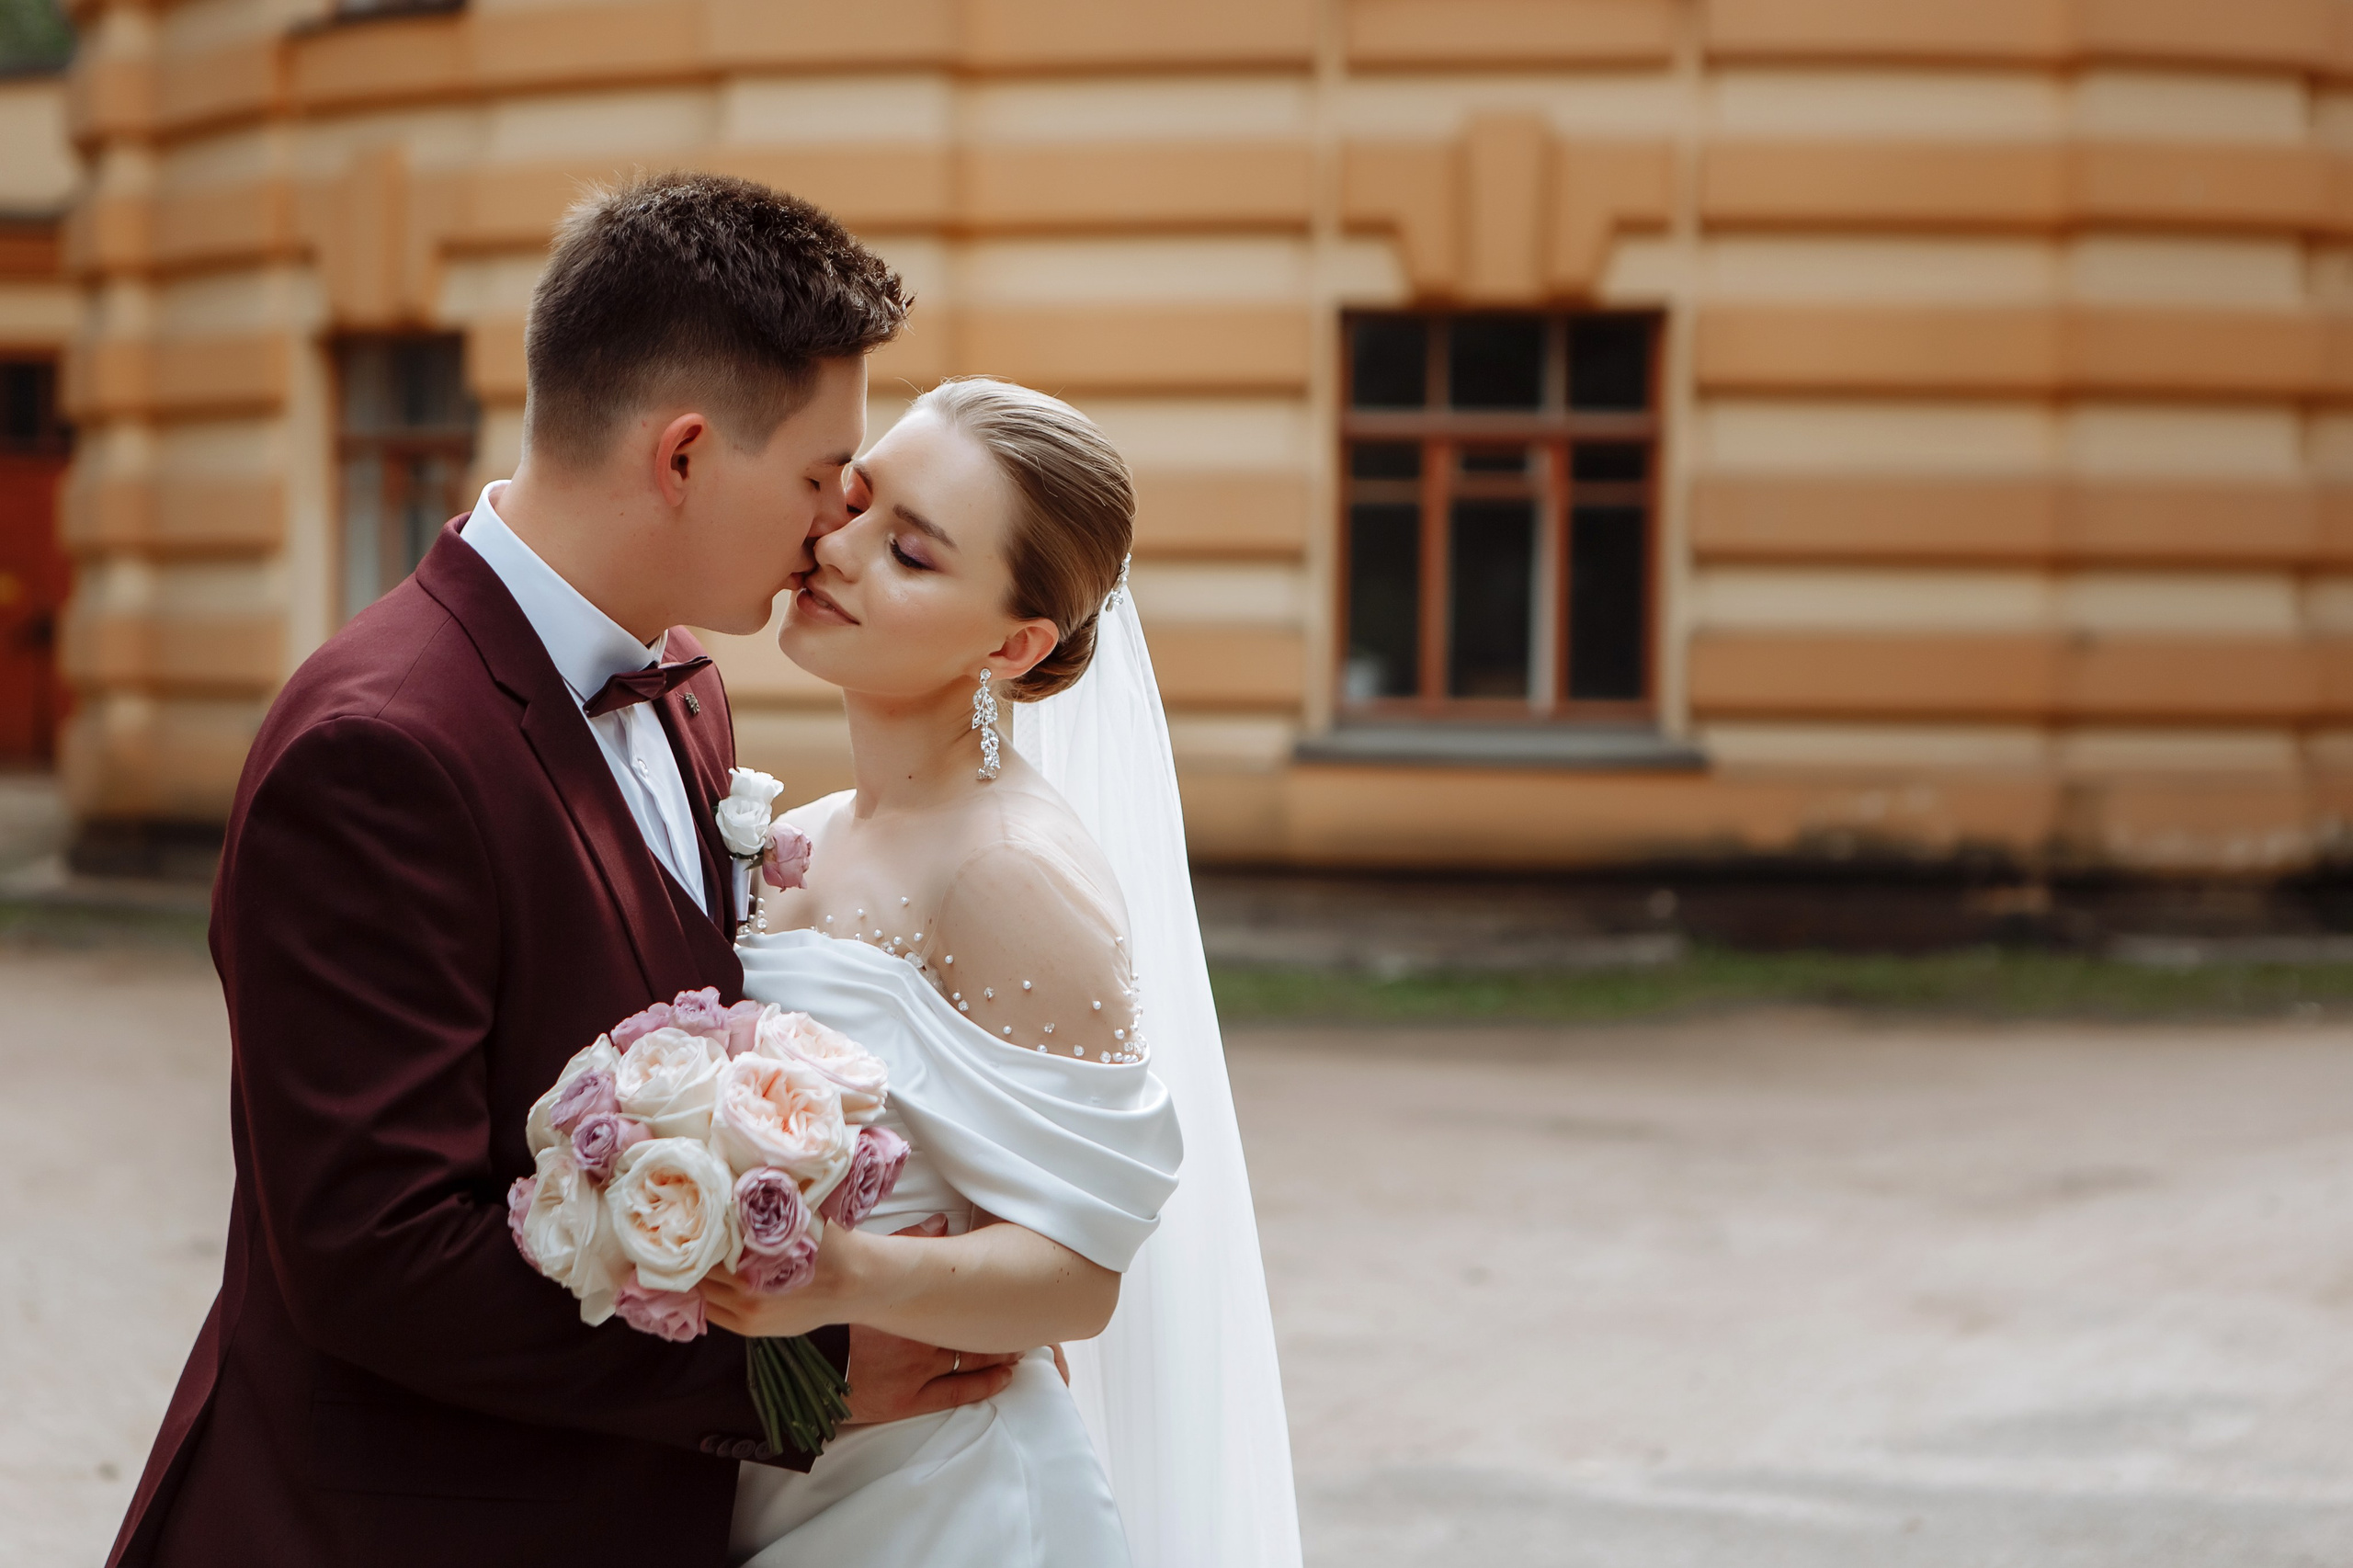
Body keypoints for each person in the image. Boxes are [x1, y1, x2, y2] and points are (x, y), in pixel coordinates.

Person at [106, 176, 1103, 1568]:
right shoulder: (376, 749)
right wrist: (791, 1376)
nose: (832, 527)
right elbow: (375, 1257)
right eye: (823, 476)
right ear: (684, 455)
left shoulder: (687, 685)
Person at [703, 377, 1302, 1568]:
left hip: (941, 1500)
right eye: (855, 500)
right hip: (773, 1472)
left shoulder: (1013, 873)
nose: (838, 547)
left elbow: (1076, 1277)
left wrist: (840, 1277)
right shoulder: (803, 828)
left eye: (911, 554)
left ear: (1013, 643)